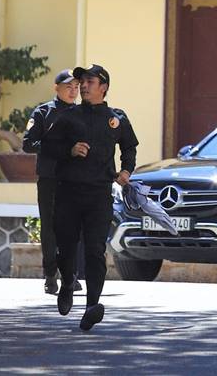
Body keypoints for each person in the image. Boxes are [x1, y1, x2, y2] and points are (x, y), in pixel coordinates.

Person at [48, 64, 139, 331]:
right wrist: (70, 149)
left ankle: (91, 306)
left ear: (104, 87)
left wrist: (126, 170)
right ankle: (66, 283)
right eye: (81, 81)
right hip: (68, 192)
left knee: (95, 250)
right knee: (66, 248)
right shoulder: (68, 116)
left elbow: (130, 146)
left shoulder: (116, 118)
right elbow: (49, 147)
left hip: (99, 194)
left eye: (89, 81)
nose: (83, 86)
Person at [22, 69, 82, 295]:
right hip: (51, 178)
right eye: (68, 86)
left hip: (76, 180)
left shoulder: (83, 113)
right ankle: (50, 275)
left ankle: (70, 275)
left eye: (76, 87)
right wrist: (58, 149)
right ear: (56, 88)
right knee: (50, 229)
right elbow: (28, 144)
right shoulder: (43, 113)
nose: (73, 91)